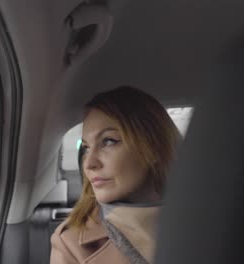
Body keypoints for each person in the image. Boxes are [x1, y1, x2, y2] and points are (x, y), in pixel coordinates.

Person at [50, 86, 181, 264]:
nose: (89, 164)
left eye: (109, 141)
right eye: (87, 148)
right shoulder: (70, 243)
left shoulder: (214, 220)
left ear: (154, 147)